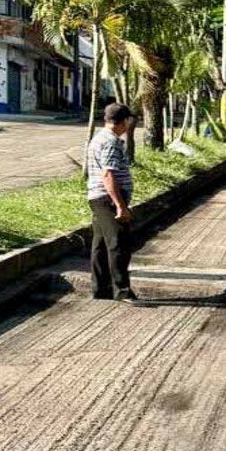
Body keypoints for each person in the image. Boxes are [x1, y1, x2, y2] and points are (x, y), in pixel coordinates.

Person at [88, 103, 137, 302]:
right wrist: (120, 205)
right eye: (128, 121)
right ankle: (122, 290)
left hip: (96, 196)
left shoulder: (98, 138)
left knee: (100, 245)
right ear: (124, 121)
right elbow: (108, 174)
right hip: (108, 198)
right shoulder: (111, 142)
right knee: (119, 244)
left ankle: (101, 288)